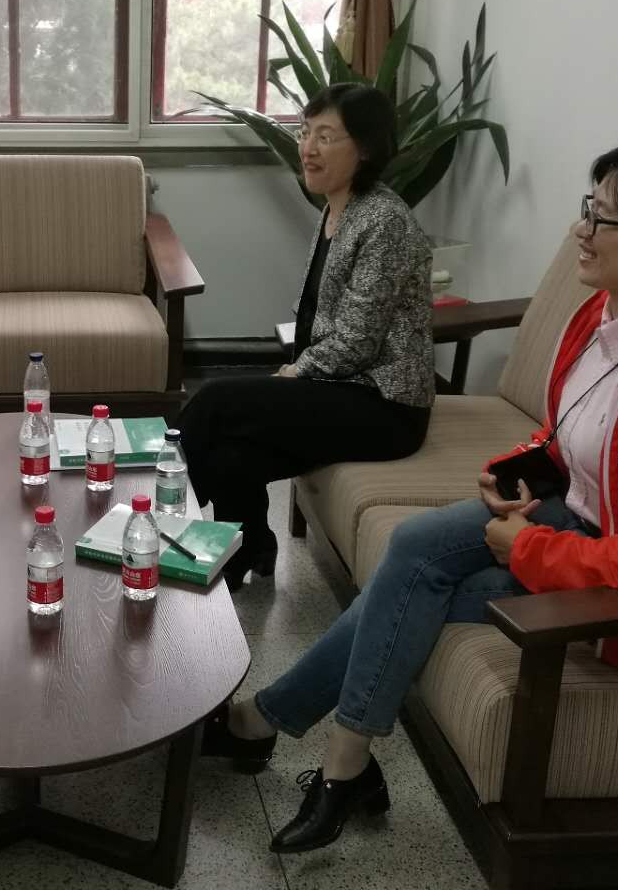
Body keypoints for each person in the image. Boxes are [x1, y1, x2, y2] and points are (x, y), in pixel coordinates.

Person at [201, 135, 618, 853]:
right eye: (587, 207)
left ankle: (322, 755)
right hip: (585, 525)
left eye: (601, 217)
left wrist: (527, 547)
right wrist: (515, 471)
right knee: (412, 547)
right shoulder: (604, 320)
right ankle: (306, 748)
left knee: (412, 589)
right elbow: (578, 436)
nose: (579, 229)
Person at [178, 83, 435, 588]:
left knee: (215, 402)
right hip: (342, 385)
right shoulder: (338, 207)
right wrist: (301, 370)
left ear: (365, 148)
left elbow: (357, 340)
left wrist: (298, 371)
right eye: (304, 132)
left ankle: (153, 516)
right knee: (230, 454)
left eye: (326, 136)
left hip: (384, 406)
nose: (308, 148)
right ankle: (249, 548)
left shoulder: (384, 221)